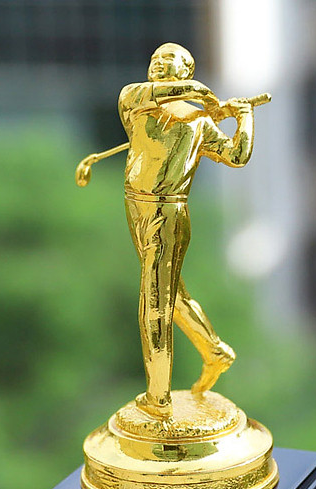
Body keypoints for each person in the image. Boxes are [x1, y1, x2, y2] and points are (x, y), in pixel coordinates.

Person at [118, 42, 257, 420]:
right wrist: (206, 97)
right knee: (173, 296)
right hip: (135, 207)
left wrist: (243, 116)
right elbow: (174, 92)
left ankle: (158, 398)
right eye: (155, 59)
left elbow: (236, 155)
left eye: (170, 60)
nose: (159, 65)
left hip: (167, 214)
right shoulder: (134, 99)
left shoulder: (198, 122)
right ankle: (214, 351)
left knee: (154, 303)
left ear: (186, 68)